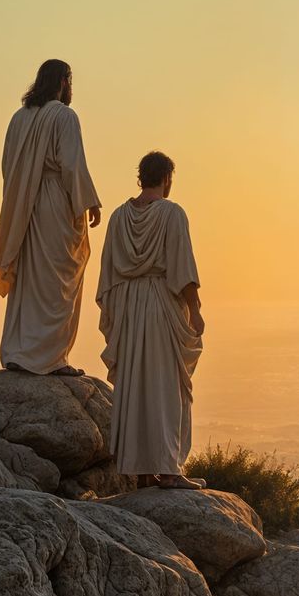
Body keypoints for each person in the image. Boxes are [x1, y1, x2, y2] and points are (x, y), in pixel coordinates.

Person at [97, 151, 205, 489]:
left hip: (128, 308)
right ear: (167, 179)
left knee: (137, 387)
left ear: (141, 177)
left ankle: (144, 472)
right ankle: (169, 470)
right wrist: (196, 310)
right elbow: (182, 268)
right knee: (166, 388)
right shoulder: (172, 214)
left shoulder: (118, 217)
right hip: (160, 304)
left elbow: (108, 272)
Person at [0, 59, 101, 375]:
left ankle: (18, 351)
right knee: (56, 281)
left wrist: (21, 196)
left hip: (25, 205)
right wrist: (88, 202)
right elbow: (72, 165)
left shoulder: (19, 118)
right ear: (63, 82)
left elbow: (8, 165)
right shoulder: (64, 116)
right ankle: (50, 358)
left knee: (28, 278)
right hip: (54, 202)